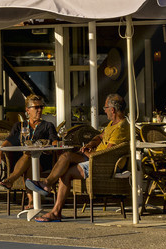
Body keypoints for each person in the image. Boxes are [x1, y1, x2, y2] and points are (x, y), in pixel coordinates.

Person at [35, 94, 129, 222]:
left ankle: (51, 198)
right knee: (66, 158)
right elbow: (100, 137)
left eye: (105, 107)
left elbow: (107, 155)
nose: (104, 110)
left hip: (102, 164)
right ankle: (48, 188)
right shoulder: (113, 123)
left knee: (66, 169)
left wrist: (88, 154)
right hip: (96, 158)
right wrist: (90, 145)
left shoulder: (121, 128)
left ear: (112, 110)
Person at [0, 93, 58, 200]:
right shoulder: (19, 126)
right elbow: (9, 140)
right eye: (36, 107)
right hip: (22, 161)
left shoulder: (47, 125)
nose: (39, 110)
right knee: (28, 157)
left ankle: (11, 180)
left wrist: (52, 146)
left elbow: (55, 142)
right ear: (28, 110)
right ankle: (32, 200)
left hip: (42, 161)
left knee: (29, 155)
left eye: (41, 107)